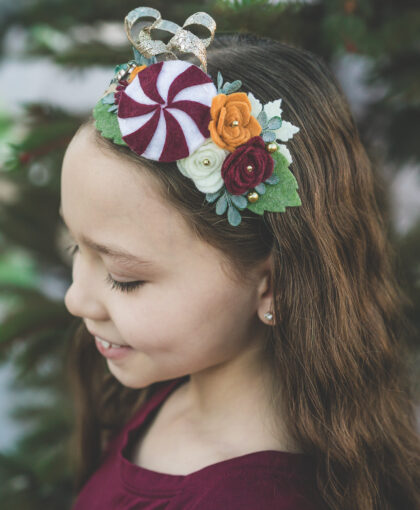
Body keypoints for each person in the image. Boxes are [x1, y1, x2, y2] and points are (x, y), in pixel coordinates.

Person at [59, 8, 420, 510]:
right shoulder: (158, 394)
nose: (76, 299)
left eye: (124, 278)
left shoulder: (253, 498)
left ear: (271, 284)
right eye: (78, 248)